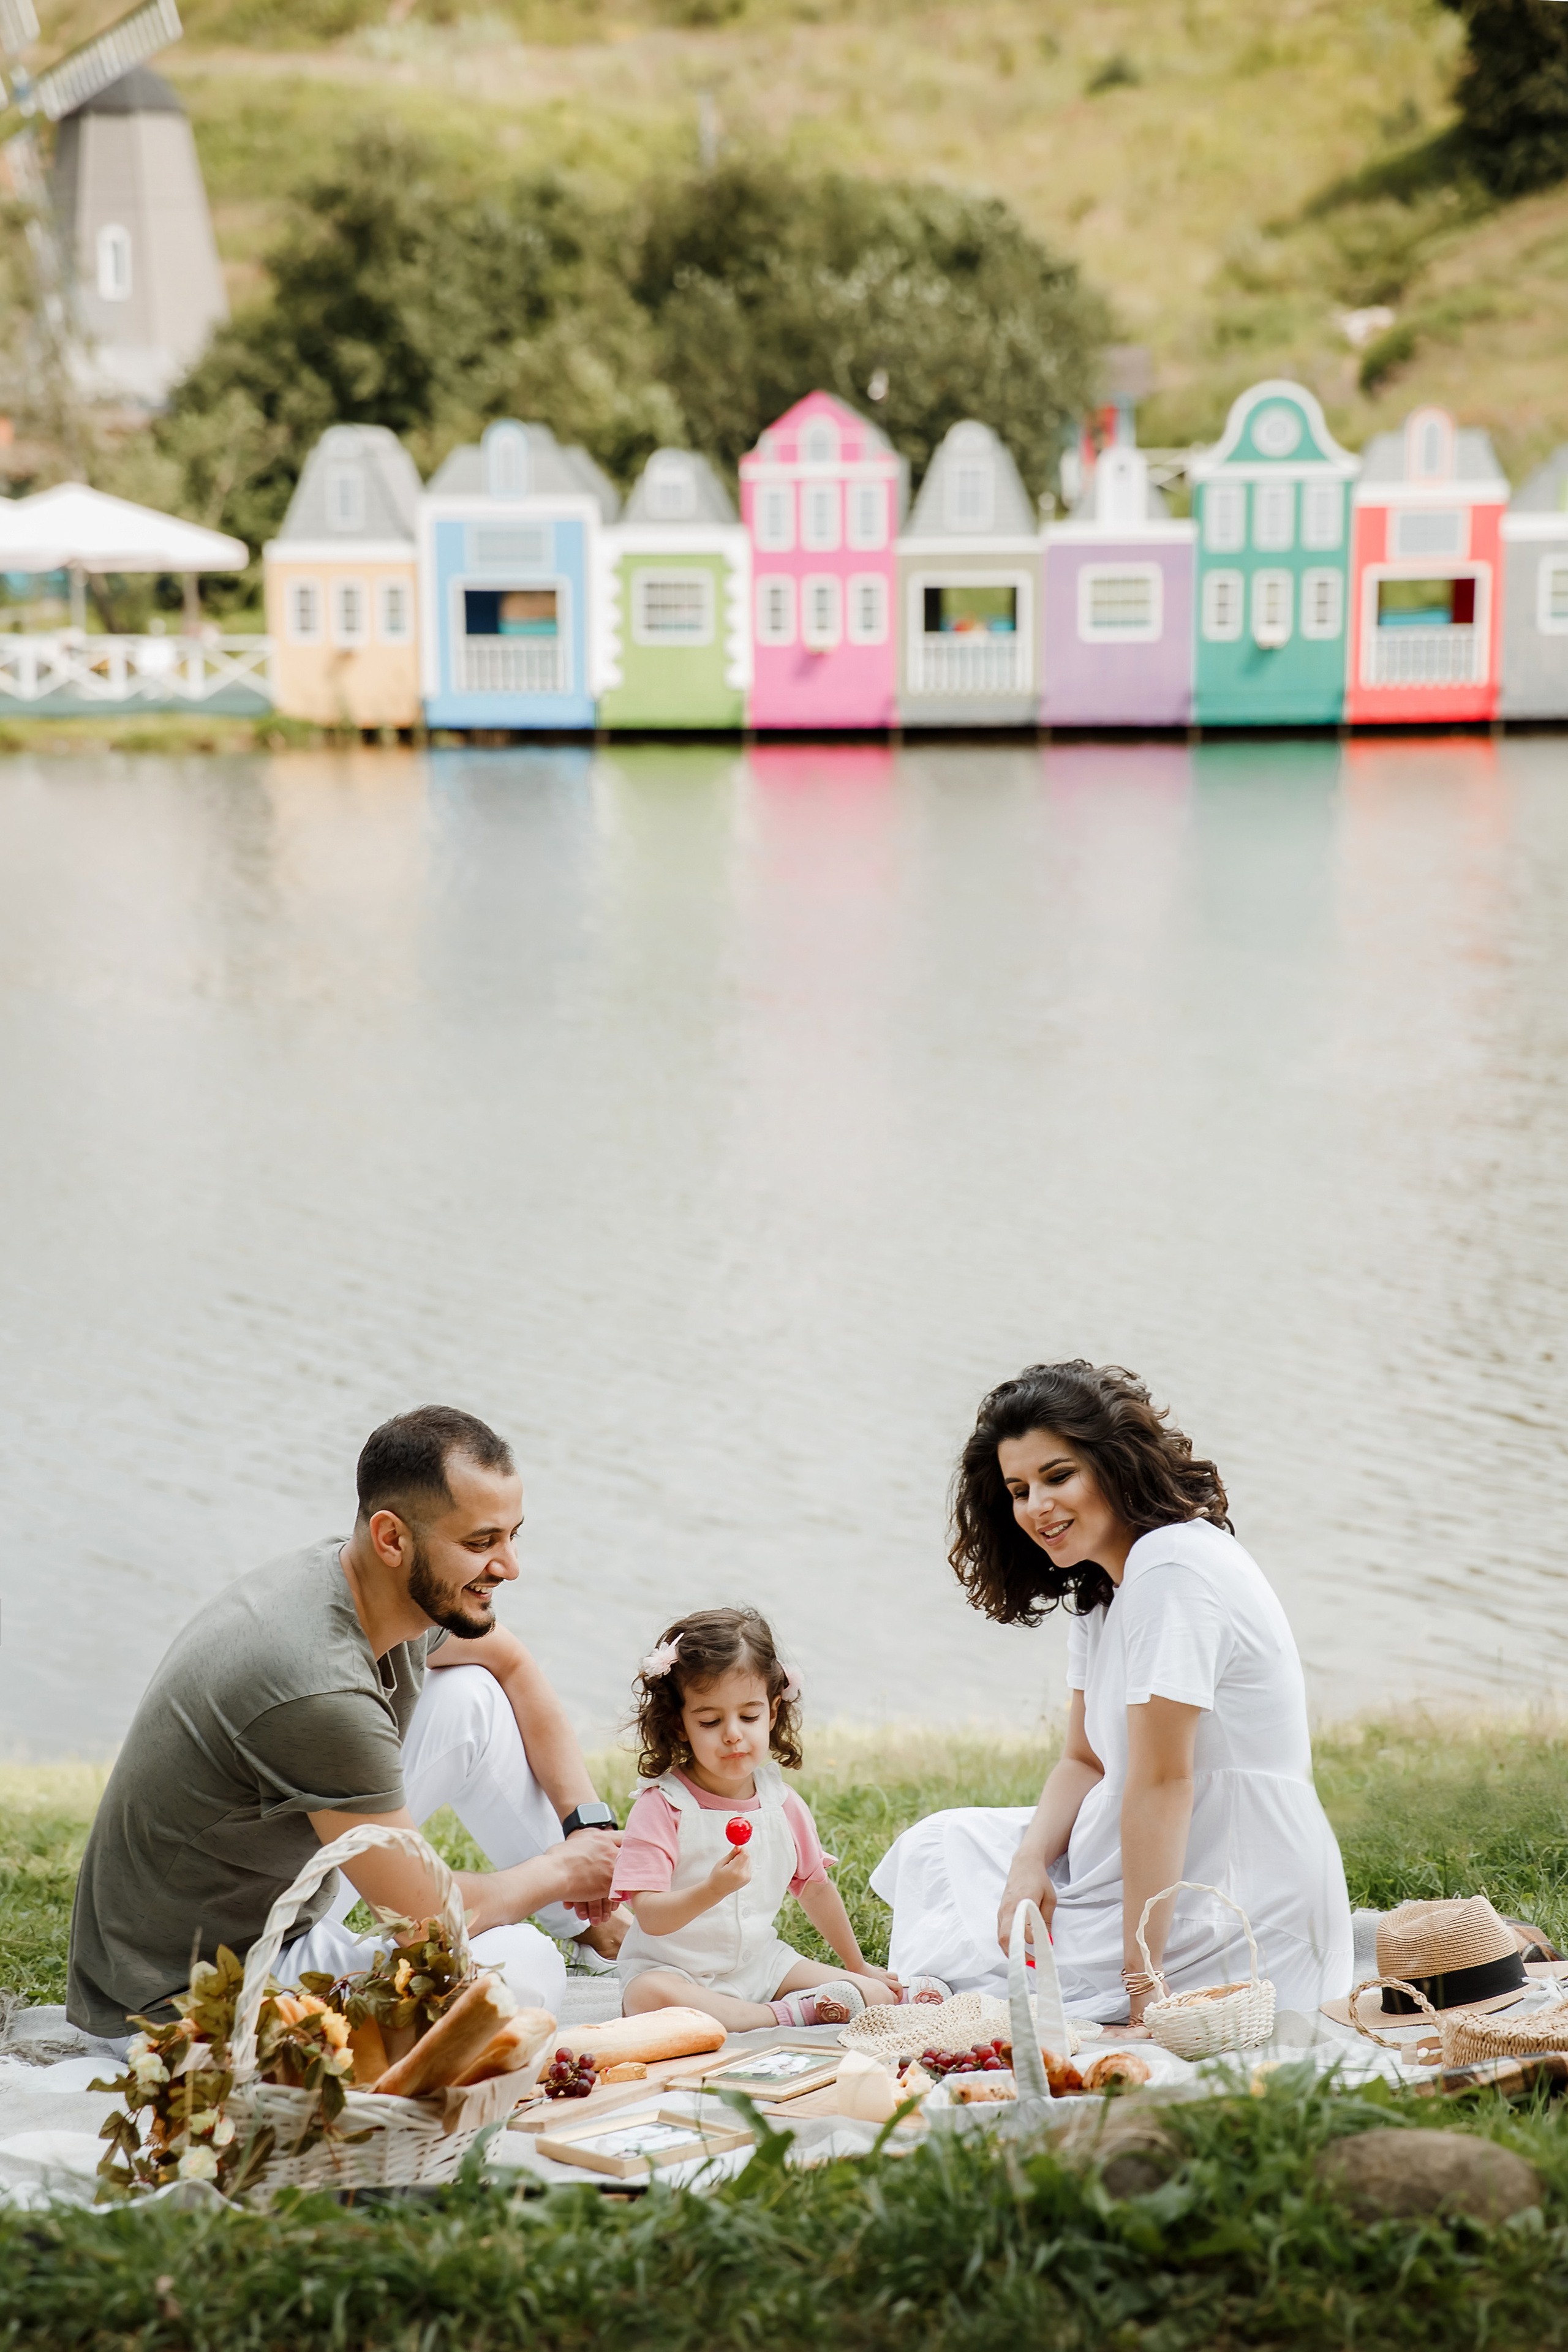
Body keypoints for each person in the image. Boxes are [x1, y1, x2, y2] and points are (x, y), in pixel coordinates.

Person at [67, 1406, 626, 2041]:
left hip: (273, 1898)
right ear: (391, 1538)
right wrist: (565, 1869)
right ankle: (578, 1908)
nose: (509, 1566)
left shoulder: (375, 1583)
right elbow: (428, 1924)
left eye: (511, 1535)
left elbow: (512, 1662)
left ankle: (600, 1928)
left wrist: (588, 1826)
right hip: (184, 1997)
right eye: (481, 1543)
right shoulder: (318, 1686)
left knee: (471, 1696)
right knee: (520, 1969)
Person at [870, 1361, 1353, 2024]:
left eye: (1058, 1476)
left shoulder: (1171, 1567)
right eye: (1018, 1489)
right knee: (942, 1845)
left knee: (988, 1975)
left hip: (1227, 1869)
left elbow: (1162, 1783)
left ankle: (1158, 1960)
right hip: (1130, 1843)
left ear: (1114, 1464)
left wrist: (1142, 1984)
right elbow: (1084, 1761)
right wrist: (1028, 1865)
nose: (1036, 1507)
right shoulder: (1105, 1588)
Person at [611, 1607, 949, 2030]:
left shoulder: (781, 1805)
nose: (733, 1733)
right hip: (677, 1972)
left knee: (873, 1992)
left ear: (773, 1713)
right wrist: (713, 1889)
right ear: (680, 1724)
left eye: (749, 1717)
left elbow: (816, 1891)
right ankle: (772, 2017)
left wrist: (858, 1965)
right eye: (711, 1720)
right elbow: (651, 1918)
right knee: (646, 1996)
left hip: (762, 1966)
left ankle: (848, 2002)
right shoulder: (663, 1806)